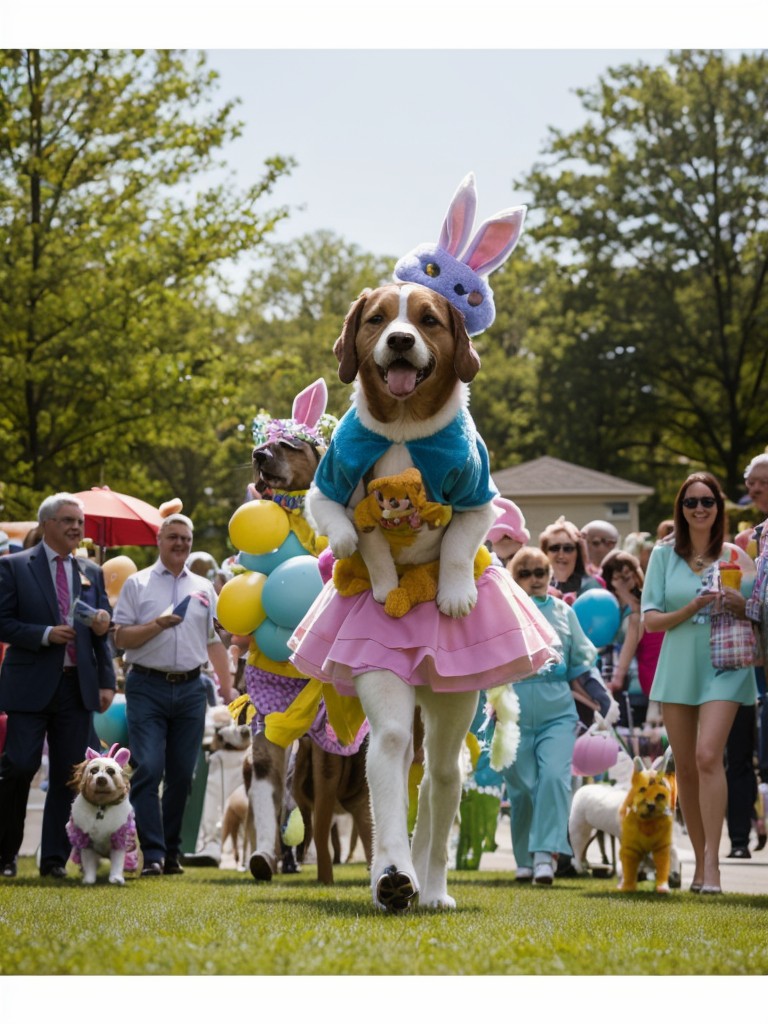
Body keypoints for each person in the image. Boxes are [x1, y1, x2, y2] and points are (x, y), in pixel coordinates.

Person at [642, 471, 757, 894]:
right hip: (679, 666)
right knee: (685, 767)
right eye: (691, 502)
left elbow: (758, 612)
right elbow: (650, 620)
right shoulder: (662, 555)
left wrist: (741, 604)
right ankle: (696, 858)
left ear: (719, 506)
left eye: (707, 501)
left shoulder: (737, 554)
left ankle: (714, 864)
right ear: (681, 508)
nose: (700, 508)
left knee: (710, 755)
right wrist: (693, 606)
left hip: (726, 664)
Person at [0, 493, 115, 878]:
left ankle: (53, 861)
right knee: (18, 767)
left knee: (70, 776)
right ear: (47, 524)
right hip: (29, 685)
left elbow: (102, 633)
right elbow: (3, 622)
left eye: (79, 522)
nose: (75, 528)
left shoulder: (91, 572)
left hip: (76, 688)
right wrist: (46, 634)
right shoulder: (14, 567)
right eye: (67, 520)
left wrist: (105, 680)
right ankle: (5, 854)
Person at [112, 512, 232, 877]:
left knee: (182, 775)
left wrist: (228, 688)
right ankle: (154, 854)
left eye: (186, 539)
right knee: (148, 767)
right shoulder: (138, 583)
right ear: (159, 541)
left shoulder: (204, 588)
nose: (180, 544)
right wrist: (157, 625)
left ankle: (172, 850)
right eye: (173, 537)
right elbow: (119, 639)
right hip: (146, 685)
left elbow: (214, 642)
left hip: (193, 689)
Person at [499, 545, 598, 885]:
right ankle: (524, 858)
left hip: (558, 710)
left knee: (555, 779)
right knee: (522, 787)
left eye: (540, 572)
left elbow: (582, 660)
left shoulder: (563, 611)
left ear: (549, 575)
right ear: (515, 579)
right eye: (524, 573)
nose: (534, 579)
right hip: (513, 710)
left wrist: (601, 696)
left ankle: (545, 856)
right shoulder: (504, 611)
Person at [599, 549, 662, 729]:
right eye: (619, 577)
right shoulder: (611, 606)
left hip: (646, 676)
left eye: (629, 574)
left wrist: (618, 678)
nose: (626, 580)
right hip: (631, 674)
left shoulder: (641, 607)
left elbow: (632, 639)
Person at [540, 516, 602, 600]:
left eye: (568, 548)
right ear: (545, 553)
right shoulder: (535, 586)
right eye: (554, 548)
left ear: (578, 553)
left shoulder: (591, 588)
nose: (561, 555)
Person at [486, 496, 530, 567]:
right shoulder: (488, 569)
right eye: (500, 559)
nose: (508, 564)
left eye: (512, 557)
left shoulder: (531, 570)